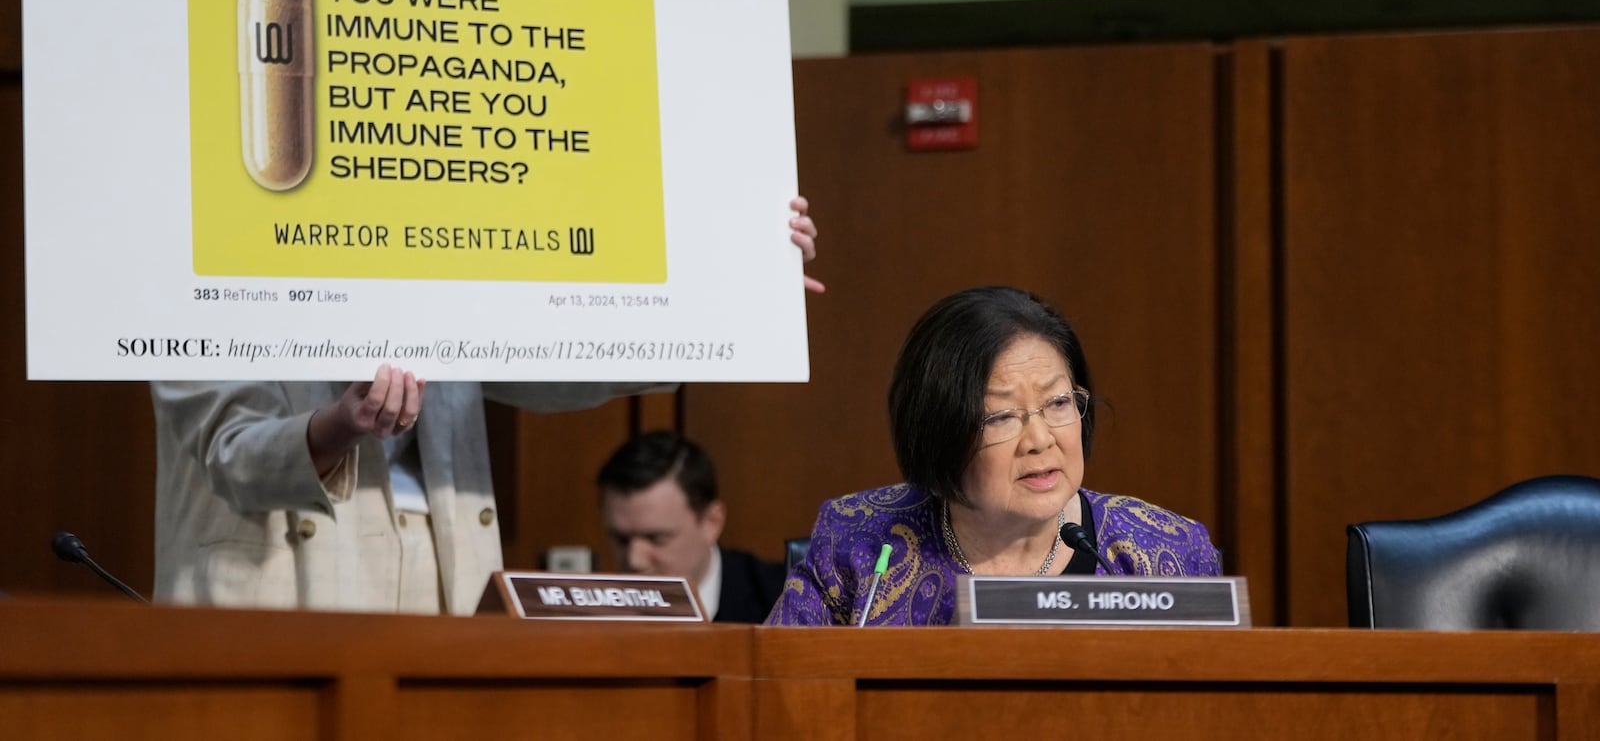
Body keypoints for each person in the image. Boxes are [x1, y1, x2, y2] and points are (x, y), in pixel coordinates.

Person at [152, 198, 820, 616]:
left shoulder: (447, 239)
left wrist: (736, 297)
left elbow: (570, 364)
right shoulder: (209, 225)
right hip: (280, 584)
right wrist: (340, 423)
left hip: (447, 566)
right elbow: (230, 453)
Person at [768, 285, 1220, 626]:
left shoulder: (1167, 553)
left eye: (1059, 403)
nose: (1040, 439)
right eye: (1001, 416)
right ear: (938, 431)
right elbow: (778, 701)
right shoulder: (859, 544)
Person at [597, 430, 785, 623]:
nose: (635, 560)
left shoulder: (785, 602)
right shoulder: (590, 617)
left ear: (711, 522)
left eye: (656, 538)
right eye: (621, 540)